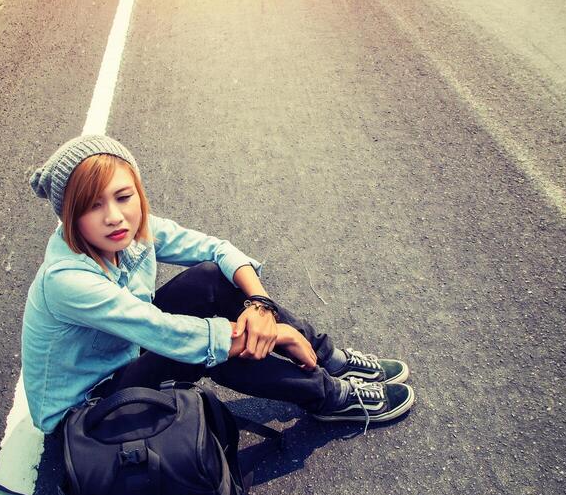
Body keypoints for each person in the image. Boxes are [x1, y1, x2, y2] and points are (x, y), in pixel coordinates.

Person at [22, 135, 415, 435]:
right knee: (204, 347)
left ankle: (328, 358)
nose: (114, 216)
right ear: (71, 217)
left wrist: (260, 304)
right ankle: (329, 396)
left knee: (211, 278)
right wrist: (276, 334)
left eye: (124, 196)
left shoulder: (132, 230)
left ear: (137, 193)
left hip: (125, 354)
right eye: (93, 205)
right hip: (88, 409)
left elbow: (217, 249)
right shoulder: (67, 280)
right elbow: (166, 333)